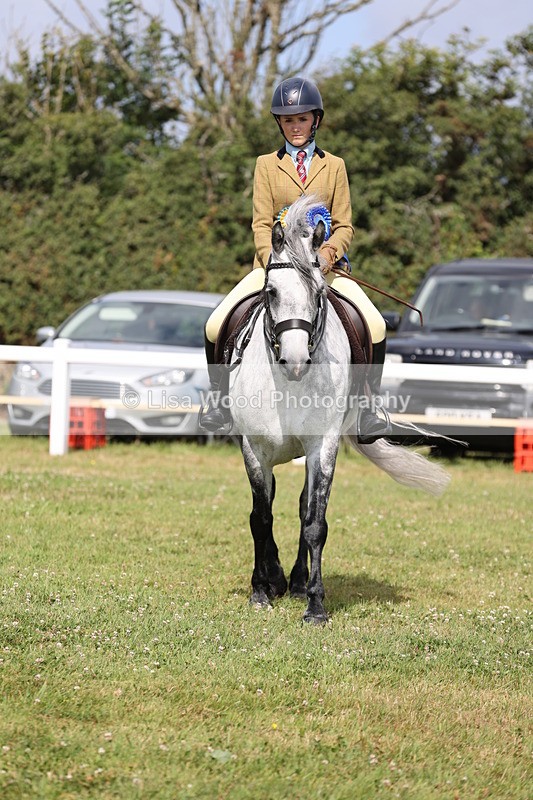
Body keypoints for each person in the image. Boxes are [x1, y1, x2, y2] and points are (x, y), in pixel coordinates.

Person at [200, 76, 390, 442]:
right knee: (214, 323)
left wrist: (327, 254)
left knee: (376, 324)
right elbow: (260, 223)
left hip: (325, 269)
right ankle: (219, 404)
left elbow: (346, 224)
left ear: (315, 120)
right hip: (278, 269)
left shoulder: (335, 166)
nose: (296, 126)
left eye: (302, 119)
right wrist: (275, 260)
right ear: (280, 124)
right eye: (288, 120)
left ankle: (369, 409)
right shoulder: (266, 165)